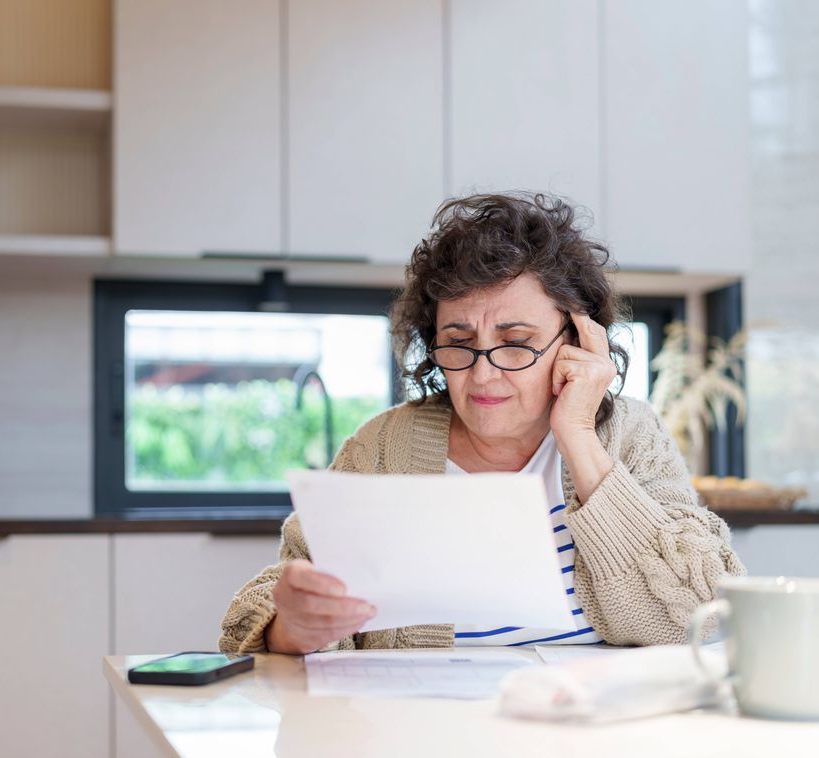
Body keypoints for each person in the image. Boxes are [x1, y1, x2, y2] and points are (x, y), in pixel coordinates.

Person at [219, 192, 745, 655]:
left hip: (589, 745)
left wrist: (580, 439)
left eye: (516, 343)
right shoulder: (381, 449)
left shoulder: (629, 436)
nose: (484, 375)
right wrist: (290, 626)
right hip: (426, 738)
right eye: (459, 343)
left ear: (579, 342)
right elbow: (267, 607)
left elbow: (700, 613)